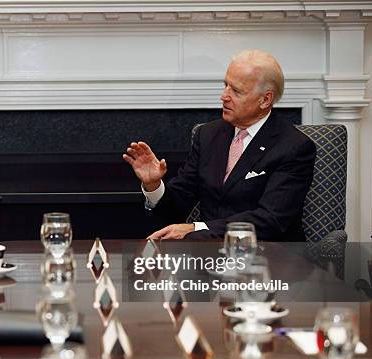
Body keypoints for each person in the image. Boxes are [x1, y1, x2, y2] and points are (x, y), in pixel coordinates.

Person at [123, 49, 316, 242]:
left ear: (265, 100)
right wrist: (153, 184)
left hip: (271, 257)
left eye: (236, 91)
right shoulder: (208, 135)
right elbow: (177, 206)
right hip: (209, 254)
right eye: (225, 86)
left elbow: (270, 221)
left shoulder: (294, 147)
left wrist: (196, 228)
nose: (224, 96)